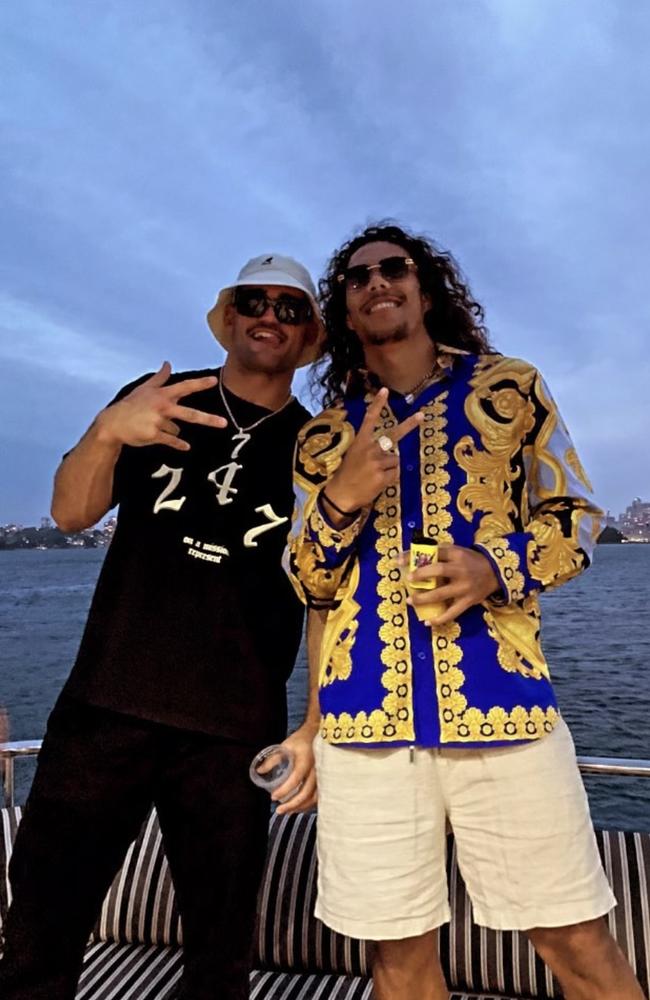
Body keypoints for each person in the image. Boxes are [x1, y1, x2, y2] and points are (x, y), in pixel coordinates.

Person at [284, 224, 644, 1000]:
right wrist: (343, 498)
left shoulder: (508, 389)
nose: (377, 282)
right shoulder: (320, 440)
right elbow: (308, 581)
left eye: (394, 268)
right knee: (398, 962)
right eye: (357, 277)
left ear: (424, 286)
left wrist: (494, 566)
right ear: (344, 309)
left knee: (576, 939)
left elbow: (579, 516)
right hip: (363, 729)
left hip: (506, 710)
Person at [0, 253, 322, 1000]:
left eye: (290, 307)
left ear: (310, 336)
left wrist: (313, 725)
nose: (269, 315)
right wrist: (110, 429)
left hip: (234, 729)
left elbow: (325, 600)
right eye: (254, 301)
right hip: (104, 706)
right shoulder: (155, 401)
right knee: (40, 929)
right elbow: (71, 513)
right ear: (230, 316)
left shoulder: (315, 448)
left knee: (218, 954)